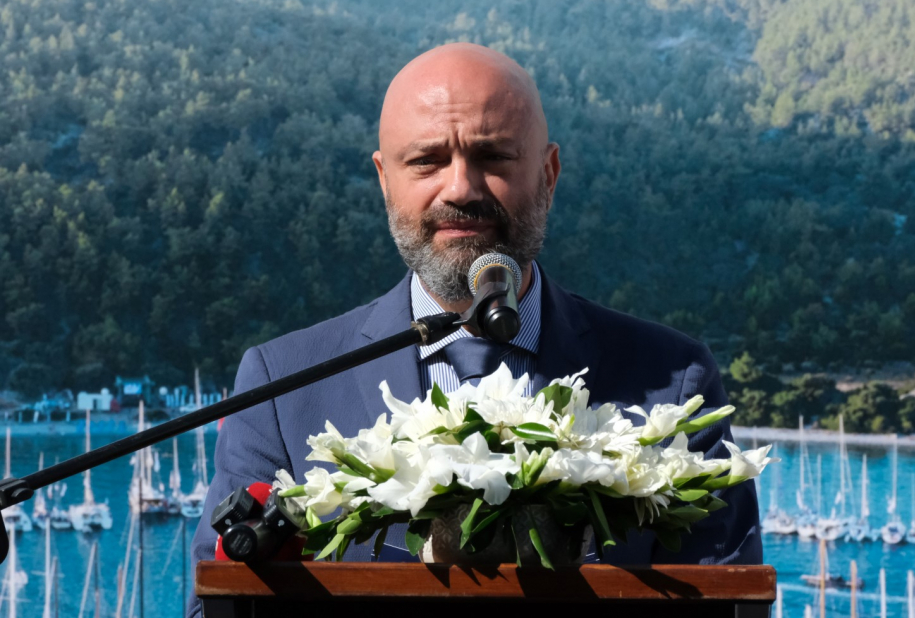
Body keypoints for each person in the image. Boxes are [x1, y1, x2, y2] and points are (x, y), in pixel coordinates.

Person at [187, 43, 760, 616]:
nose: (460, 188)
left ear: (548, 173)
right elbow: (218, 603)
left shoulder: (672, 381)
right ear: (385, 180)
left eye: (493, 156)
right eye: (427, 161)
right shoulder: (283, 386)